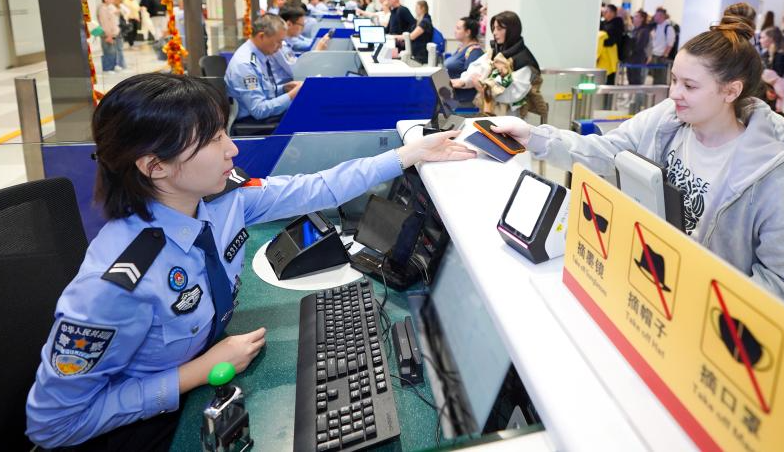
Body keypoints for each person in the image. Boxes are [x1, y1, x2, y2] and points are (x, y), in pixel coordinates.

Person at [24, 73, 474, 450]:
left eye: (224, 132)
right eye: (212, 139)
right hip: (148, 431)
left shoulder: (220, 201)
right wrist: (195, 372)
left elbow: (315, 187)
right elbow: (52, 426)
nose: (232, 150)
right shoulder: (115, 286)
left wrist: (408, 155)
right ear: (154, 166)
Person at [489, 4, 784, 307]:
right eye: (674, 80)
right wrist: (533, 136)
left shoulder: (771, 177)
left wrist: (708, 311)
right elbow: (608, 152)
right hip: (643, 287)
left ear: (731, 91)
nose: (674, 93)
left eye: (690, 86)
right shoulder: (666, 121)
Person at [452, 11, 541, 116]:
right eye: (493, 28)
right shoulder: (496, 51)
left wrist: (485, 89)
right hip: (490, 113)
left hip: (511, 117)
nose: (494, 32)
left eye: (499, 29)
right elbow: (478, 68)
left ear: (512, 30)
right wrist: (464, 82)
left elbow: (514, 94)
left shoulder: (523, 60)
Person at [225, 14, 302, 132]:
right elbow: (258, 110)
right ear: (262, 36)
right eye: (278, 42)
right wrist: (291, 95)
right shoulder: (245, 65)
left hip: (263, 118)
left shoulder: (260, 55)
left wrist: (284, 88)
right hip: (253, 124)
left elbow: (264, 91)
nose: (280, 47)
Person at [444, 13, 484, 104]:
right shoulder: (461, 48)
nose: (455, 31)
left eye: (458, 28)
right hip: (452, 97)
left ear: (468, 32)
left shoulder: (474, 52)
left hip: (463, 101)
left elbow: (470, 78)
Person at [96, 0, 126, 73]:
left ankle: (114, 66)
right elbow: (104, 23)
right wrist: (108, 35)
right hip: (106, 33)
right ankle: (108, 68)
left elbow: (115, 19)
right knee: (108, 51)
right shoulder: (102, 9)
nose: (112, 0)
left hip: (114, 32)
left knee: (113, 50)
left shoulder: (111, 7)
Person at [649, 7, 676, 85]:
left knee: (661, 79)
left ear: (662, 16)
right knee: (655, 78)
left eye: (656, 15)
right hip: (654, 55)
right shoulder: (655, 27)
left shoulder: (668, 28)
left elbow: (670, 44)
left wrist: (664, 56)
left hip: (661, 57)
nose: (654, 17)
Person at [599, 4, 624, 85]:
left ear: (612, 13)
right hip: (603, 57)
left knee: (610, 79)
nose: (604, 13)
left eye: (606, 11)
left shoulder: (616, 24)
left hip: (612, 56)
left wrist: (602, 40)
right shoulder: (604, 23)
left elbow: (612, 40)